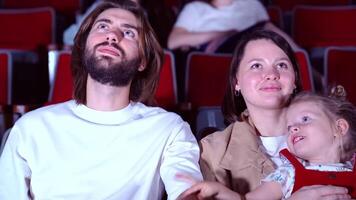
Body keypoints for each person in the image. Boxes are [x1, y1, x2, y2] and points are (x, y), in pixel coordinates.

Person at [0, 0, 202, 199]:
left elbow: (187, 192)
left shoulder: (168, 129)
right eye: (103, 26)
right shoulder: (31, 128)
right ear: (83, 46)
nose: (112, 36)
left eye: (129, 32)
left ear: (142, 61)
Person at [178, 29, 351, 200]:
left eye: (281, 65)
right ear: (236, 82)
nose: (271, 75)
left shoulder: (337, 134)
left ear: (295, 80)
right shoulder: (211, 152)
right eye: (256, 66)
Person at [179, 86, 356, 199]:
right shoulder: (288, 173)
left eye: (305, 119)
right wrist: (219, 191)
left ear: (339, 128)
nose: (294, 128)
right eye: (289, 126)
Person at [167, 0, 298, 52]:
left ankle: (305, 65)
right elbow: (173, 41)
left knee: (268, 29)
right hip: (215, 54)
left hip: (255, 51)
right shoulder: (195, 8)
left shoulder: (252, 4)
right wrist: (221, 34)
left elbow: (271, 32)